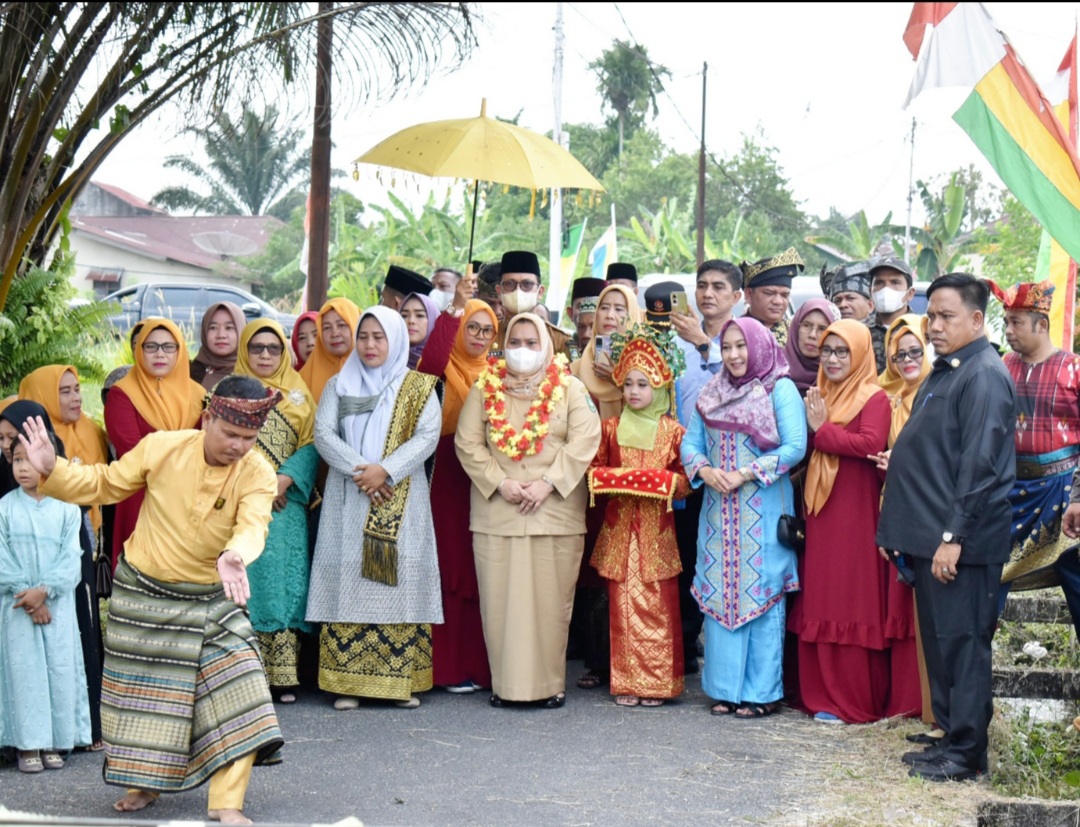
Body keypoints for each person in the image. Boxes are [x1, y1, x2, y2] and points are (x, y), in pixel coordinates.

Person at [23, 375, 286, 824]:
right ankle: (144, 784)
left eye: (249, 437)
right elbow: (104, 484)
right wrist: (52, 469)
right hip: (144, 593)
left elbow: (254, 523)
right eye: (230, 434)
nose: (239, 446)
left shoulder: (258, 472)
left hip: (214, 595)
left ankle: (226, 802)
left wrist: (235, 555)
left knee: (245, 687)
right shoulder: (162, 447)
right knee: (146, 701)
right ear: (208, 419)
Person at [877, 273, 1016, 782]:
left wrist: (952, 538)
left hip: (962, 542)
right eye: (930, 315)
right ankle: (950, 734)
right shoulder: (949, 370)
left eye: (946, 316)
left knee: (963, 643)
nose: (934, 326)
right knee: (940, 641)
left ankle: (967, 752)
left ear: (977, 320)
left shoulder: (983, 374)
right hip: (932, 537)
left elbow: (980, 467)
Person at [455, 312, 601, 708]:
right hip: (498, 513)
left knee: (550, 606)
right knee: (500, 605)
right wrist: (500, 483)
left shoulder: (570, 388)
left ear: (547, 346)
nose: (522, 350)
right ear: (503, 345)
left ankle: (549, 686)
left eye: (531, 343)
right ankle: (506, 687)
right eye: (515, 342)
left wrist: (548, 483)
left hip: (554, 513)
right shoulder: (484, 388)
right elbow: (468, 443)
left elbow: (587, 437)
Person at [306, 307, 443, 710]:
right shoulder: (339, 384)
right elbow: (323, 434)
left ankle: (399, 681)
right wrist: (361, 471)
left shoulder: (418, 388)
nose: (369, 345)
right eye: (363, 336)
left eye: (378, 337)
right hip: (349, 498)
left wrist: (387, 470)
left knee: (396, 582)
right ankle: (346, 683)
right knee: (349, 579)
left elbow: (427, 436)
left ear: (396, 340)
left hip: (401, 495)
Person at [789, 319, 913, 724]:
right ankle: (821, 695)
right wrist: (815, 430)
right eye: (827, 351)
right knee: (822, 594)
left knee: (851, 596)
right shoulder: (819, 393)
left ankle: (852, 700)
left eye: (843, 351)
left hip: (856, 513)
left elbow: (868, 445)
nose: (834, 359)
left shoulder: (873, 396)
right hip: (822, 511)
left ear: (861, 354)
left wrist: (822, 431)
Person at [682, 317, 806, 718]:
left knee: (762, 595)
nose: (734, 355)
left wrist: (745, 473)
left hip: (764, 513)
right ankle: (723, 690)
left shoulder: (779, 389)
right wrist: (702, 470)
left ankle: (761, 694)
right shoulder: (712, 390)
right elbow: (690, 443)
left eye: (742, 347)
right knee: (720, 593)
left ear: (759, 346)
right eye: (728, 347)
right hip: (719, 517)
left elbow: (794, 447)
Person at [589, 326, 689, 707]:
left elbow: (685, 481)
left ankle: (659, 684)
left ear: (660, 388)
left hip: (656, 535)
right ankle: (627, 682)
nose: (634, 391)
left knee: (659, 608)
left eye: (643, 384)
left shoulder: (673, 432)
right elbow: (594, 472)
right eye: (628, 383)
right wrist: (625, 480)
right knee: (621, 608)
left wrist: (660, 482)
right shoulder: (610, 429)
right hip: (619, 533)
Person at [18, 367, 110, 751]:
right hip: (31, 549)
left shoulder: (92, 431)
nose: (76, 399)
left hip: (80, 536)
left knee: (82, 629)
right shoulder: (22, 443)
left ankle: (86, 726)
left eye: (78, 390)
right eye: (64, 392)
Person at [416, 275, 498, 693]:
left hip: (487, 474)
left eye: (487, 330)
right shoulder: (442, 367)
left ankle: (479, 667)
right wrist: (455, 307)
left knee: (480, 570)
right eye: (472, 328)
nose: (480, 337)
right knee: (450, 569)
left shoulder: (498, 373)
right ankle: (445, 668)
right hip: (446, 473)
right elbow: (430, 361)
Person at [667, 260, 746, 674]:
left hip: (732, 473)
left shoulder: (745, 341)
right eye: (701, 286)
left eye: (718, 287)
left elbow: (742, 388)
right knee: (683, 557)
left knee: (721, 559)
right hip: (686, 468)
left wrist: (704, 345)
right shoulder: (676, 344)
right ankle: (682, 650)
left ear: (737, 296)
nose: (707, 294)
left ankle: (724, 654)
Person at [233, 319, 318, 705]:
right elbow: (217, 442)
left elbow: (314, 444)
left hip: (285, 507)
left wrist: (285, 480)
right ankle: (243, 676)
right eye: (256, 348)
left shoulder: (300, 395)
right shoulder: (227, 392)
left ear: (285, 353)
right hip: (242, 504)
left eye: (273, 349)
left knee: (284, 587)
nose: (265, 355)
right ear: (244, 351)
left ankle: (283, 677)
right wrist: (260, 488)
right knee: (245, 586)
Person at [988, 280, 1080, 634]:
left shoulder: (1074, 369)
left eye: (1016, 323)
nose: (1008, 330)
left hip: (1064, 493)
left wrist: (1079, 495)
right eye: (1006, 321)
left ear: (1041, 325)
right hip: (1007, 493)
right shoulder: (998, 368)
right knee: (985, 591)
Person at [0, 432, 90, 773]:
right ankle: (27, 744)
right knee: (24, 672)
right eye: (17, 459)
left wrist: (46, 590)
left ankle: (55, 740)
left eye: (31, 459)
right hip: (18, 606)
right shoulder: (5, 508)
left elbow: (72, 558)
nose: (23, 467)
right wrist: (29, 596)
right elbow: (2, 557)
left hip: (58, 607)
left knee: (58, 668)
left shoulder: (67, 508)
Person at [569, 282, 641, 689]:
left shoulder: (644, 365)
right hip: (589, 479)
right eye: (605, 309)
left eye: (620, 309)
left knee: (630, 567)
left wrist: (619, 375)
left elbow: (657, 409)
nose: (611, 316)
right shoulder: (579, 366)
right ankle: (599, 660)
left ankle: (633, 659)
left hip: (631, 478)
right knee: (595, 568)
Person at [871, 313, 936, 740]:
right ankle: (905, 703)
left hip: (927, 510)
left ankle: (928, 707)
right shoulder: (888, 395)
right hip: (893, 505)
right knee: (901, 608)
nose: (908, 360)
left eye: (915, 351)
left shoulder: (936, 392)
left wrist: (902, 461)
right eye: (899, 355)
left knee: (927, 612)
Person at [104, 318, 204, 570]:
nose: (160, 353)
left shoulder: (199, 395)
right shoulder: (122, 394)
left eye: (168, 347)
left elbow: (208, 445)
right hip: (141, 496)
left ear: (180, 350)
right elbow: (134, 452)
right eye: (151, 346)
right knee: (139, 578)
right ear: (139, 350)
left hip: (190, 497)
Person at [494, 250, 576, 360]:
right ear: (499, 291)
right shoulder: (487, 335)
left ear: (540, 292)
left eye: (527, 284)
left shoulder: (560, 340)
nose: (518, 291)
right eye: (510, 284)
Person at [298, 297, 362, 404]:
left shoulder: (372, 371)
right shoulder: (303, 378)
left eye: (341, 325)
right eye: (327, 328)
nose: (335, 333)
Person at [741, 248, 804, 346]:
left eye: (784, 295)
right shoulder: (735, 330)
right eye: (769, 293)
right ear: (749, 294)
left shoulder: (798, 333)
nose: (778, 301)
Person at [868, 256, 918, 374]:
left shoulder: (921, 330)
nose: (886, 289)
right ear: (871, 292)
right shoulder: (861, 331)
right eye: (879, 283)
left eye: (895, 282)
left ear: (910, 293)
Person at [783, 299, 842, 398]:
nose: (812, 335)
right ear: (796, 328)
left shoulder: (840, 377)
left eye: (822, 329)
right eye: (806, 325)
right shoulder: (775, 370)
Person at [189, 301, 247, 390]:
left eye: (229, 328)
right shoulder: (188, 373)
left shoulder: (251, 373)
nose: (221, 335)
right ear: (204, 332)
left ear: (241, 331)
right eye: (213, 328)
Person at [566, 277, 607, 352]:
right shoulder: (563, 348)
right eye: (580, 306)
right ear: (570, 313)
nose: (586, 334)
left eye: (593, 326)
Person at [400, 291, 439, 370]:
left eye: (419, 315)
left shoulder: (443, 362)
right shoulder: (388, 359)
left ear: (433, 320)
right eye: (404, 315)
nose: (411, 321)